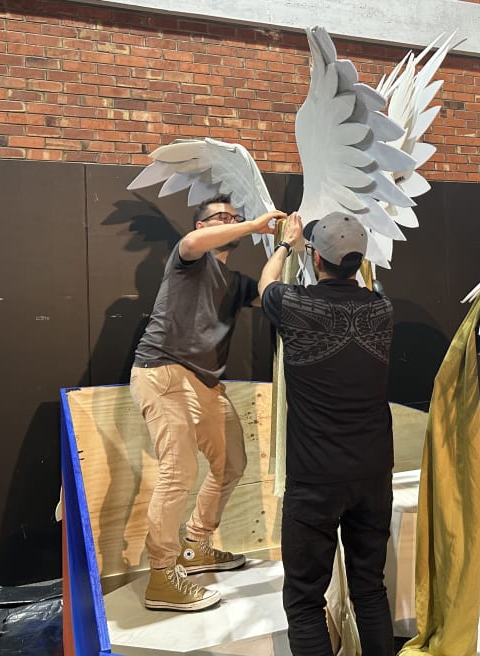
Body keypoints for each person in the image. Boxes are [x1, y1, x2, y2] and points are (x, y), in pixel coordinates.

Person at [130, 193, 285, 611]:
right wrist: (253, 226)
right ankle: (161, 577)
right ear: (202, 227)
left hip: (206, 384)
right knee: (178, 471)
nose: (231, 222)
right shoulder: (189, 257)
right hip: (163, 371)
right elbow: (192, 244)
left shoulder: (234, 284)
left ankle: (196, 545)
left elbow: (270, 291)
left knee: (232, 463)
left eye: (235, 218)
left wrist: (287, 246)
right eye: (222, 218)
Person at [259, 213, 395, 656]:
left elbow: (266, 284)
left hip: (315, 478)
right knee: (370, 589)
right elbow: (354, 292)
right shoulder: (382, 309)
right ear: (359, 261)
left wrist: (285, 245)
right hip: (373, 474)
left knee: (304, 600)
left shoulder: (295, 306)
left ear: (317, 256)